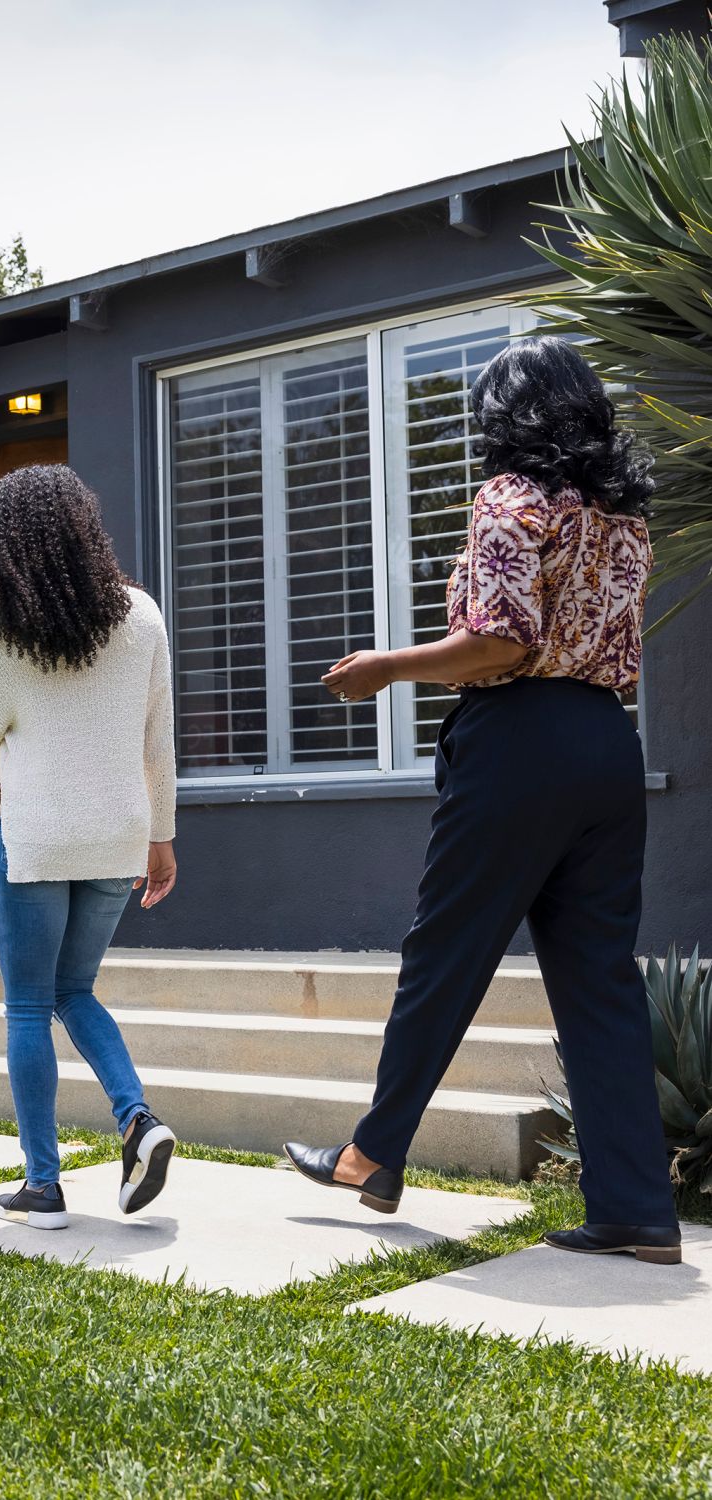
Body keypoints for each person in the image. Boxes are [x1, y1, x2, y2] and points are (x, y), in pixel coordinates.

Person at [284, 336, 680, 1265]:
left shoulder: (508, 500)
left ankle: (372, 1154)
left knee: (446, 954)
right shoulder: (624, 517)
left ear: (505, 417)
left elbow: (500, 643)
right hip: (606, 748)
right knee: (599, 981)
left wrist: (386, 669)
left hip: (520, 747)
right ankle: (636, 1209)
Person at [0, 464, 179, 1231]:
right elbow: (159, 744)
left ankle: (43, 1186)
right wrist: (162, 837)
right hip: (119, 836)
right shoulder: (143, 616)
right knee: (74, 991)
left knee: (27, 1007)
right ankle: (137, 1119)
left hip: (39, 841)